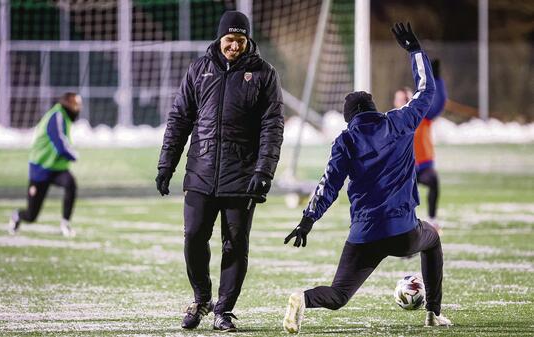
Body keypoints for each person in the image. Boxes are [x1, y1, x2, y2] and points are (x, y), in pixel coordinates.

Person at [282, 23, 452, 333]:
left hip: (365, 235)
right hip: (403, 231)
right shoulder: (399, 121)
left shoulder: (346, 141)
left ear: (349, 119)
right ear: (373, 108)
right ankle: (433, 312)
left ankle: (303, 298)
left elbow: (328, 185)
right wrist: (415, 51)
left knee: (338, 295)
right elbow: (426, 91)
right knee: (433, 240)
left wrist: (307, 220)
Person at [155, 10, 284, 332]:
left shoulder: (264, 73)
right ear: (220, 39)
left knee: (235, 244)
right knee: (194, 237)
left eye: (240, 40)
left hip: (242, 175)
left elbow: (272, 127)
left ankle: (223, 311)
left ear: (247, 40)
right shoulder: (199, 70)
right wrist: (166, 165)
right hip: (200, 170)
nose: (234, 46)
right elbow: (179, 120)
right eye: (230, 40)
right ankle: (201, 299)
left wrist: (264, 170)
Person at [9, 93, 81, 237]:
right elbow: (59, 142)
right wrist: (73, 155)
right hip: (40, 169)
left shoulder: (65, 117)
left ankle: (65, 224)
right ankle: (17, 215)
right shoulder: (57, 116)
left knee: (70, 184)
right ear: (68, 104)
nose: (78, 108)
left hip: (56, 168)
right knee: (31, 215)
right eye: (76, 105)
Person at [394, 60, 447, 231]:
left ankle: (432, 219)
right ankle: (404, 230)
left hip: (423, 167)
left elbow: (439, 102)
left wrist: (437, 78)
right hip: (406, 170)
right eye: (400, 99)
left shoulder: (422, 116)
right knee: (401, 197)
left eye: (406, 98)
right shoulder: (392, 121)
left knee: (433, 180)